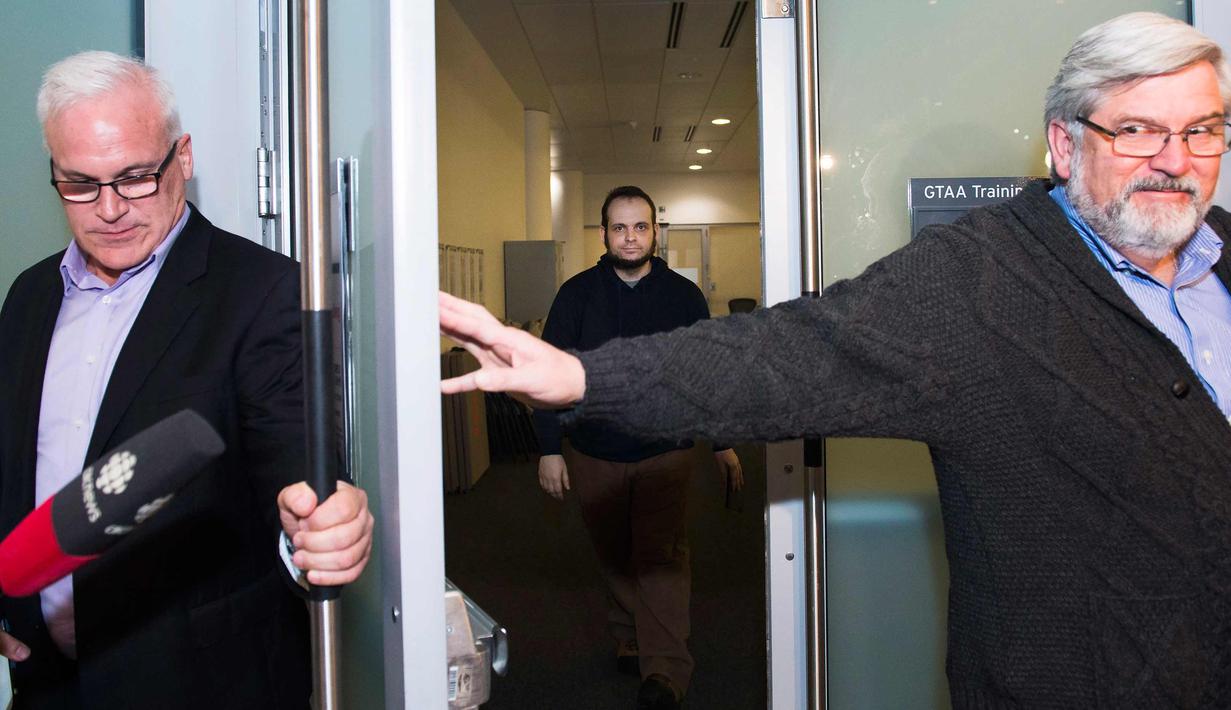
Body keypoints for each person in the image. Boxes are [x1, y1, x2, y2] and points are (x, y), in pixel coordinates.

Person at [441, 12, 1231, 707]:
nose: (1174, 158)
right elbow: (780, 357)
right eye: (1135, 130)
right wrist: (581, 378)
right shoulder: (979, 282)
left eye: (1202, 129)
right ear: (1063, 144)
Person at [0, 51, 374, 709]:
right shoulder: (29, 296)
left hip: (198, 685)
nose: (110, 208)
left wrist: (320, 526)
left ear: (184, 158)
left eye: (137, 177)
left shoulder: (263, 292)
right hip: (47, 682)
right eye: (81, 184)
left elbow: (296, 470)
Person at [533, 186, 742, 710]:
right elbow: (546, 372)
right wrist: (548, 447)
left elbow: (707, 373)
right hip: (593, 449)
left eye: (640, 227)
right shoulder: (576, 295)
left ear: (655, 231)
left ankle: (666, 670)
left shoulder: (683, 296)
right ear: (603, 234)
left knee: (660, 554)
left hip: (664, 449)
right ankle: (629, 633)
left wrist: (723, 442)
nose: (631, 237)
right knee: (614, 551)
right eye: (620, 228)